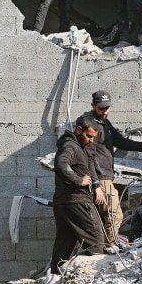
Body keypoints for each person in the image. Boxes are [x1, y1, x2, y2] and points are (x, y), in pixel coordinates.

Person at [83, 90, 142, 249]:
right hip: (100, 177)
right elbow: (88, 157)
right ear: (93, 106)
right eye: (101, 109)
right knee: (114, 215)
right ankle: (112, 246)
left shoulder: (105, 123)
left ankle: (105, 245)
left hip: (105, 177)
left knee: (106, 216)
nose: (105, 112)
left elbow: (121, 142)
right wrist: (96, 184)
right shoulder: (89, 125)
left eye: (107, 108)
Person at [51, 116, 105, 274]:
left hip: (64, 202)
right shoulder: (71, 146)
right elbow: (61, 163)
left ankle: (56, 281)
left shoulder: (77, 146)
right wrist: (79, 180)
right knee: (96, 239)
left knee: (65, 244)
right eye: (88, 136)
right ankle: (94, 280)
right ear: (79, 130)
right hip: (76, 200)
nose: (90, 141)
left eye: (93, 138)